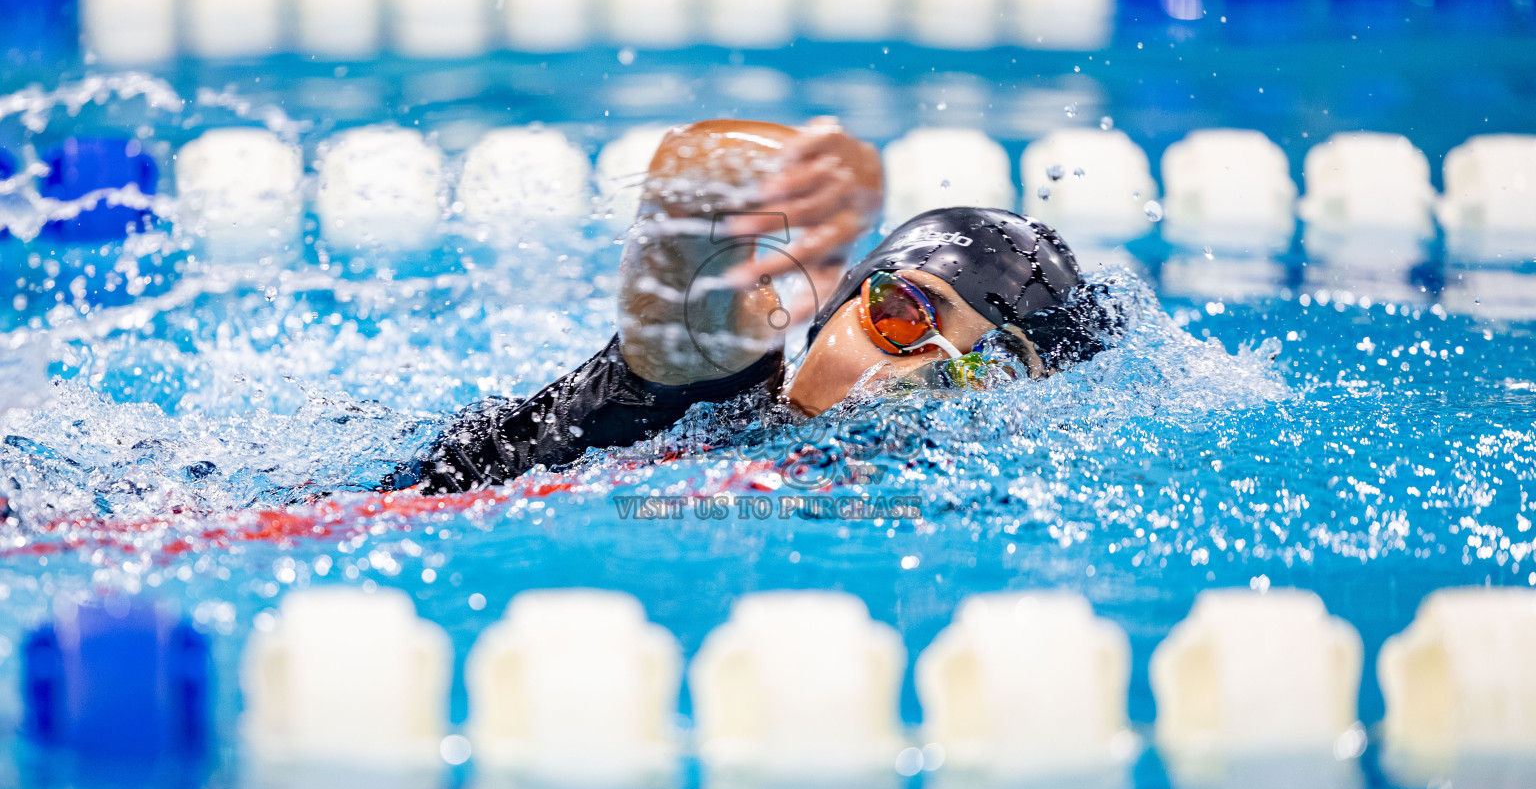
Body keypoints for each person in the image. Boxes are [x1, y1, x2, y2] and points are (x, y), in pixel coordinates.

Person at [382, 119, 1121, 495]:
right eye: (902, 316)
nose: (909, 377)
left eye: (979, 368)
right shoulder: (720, 371)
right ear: (836, 305)